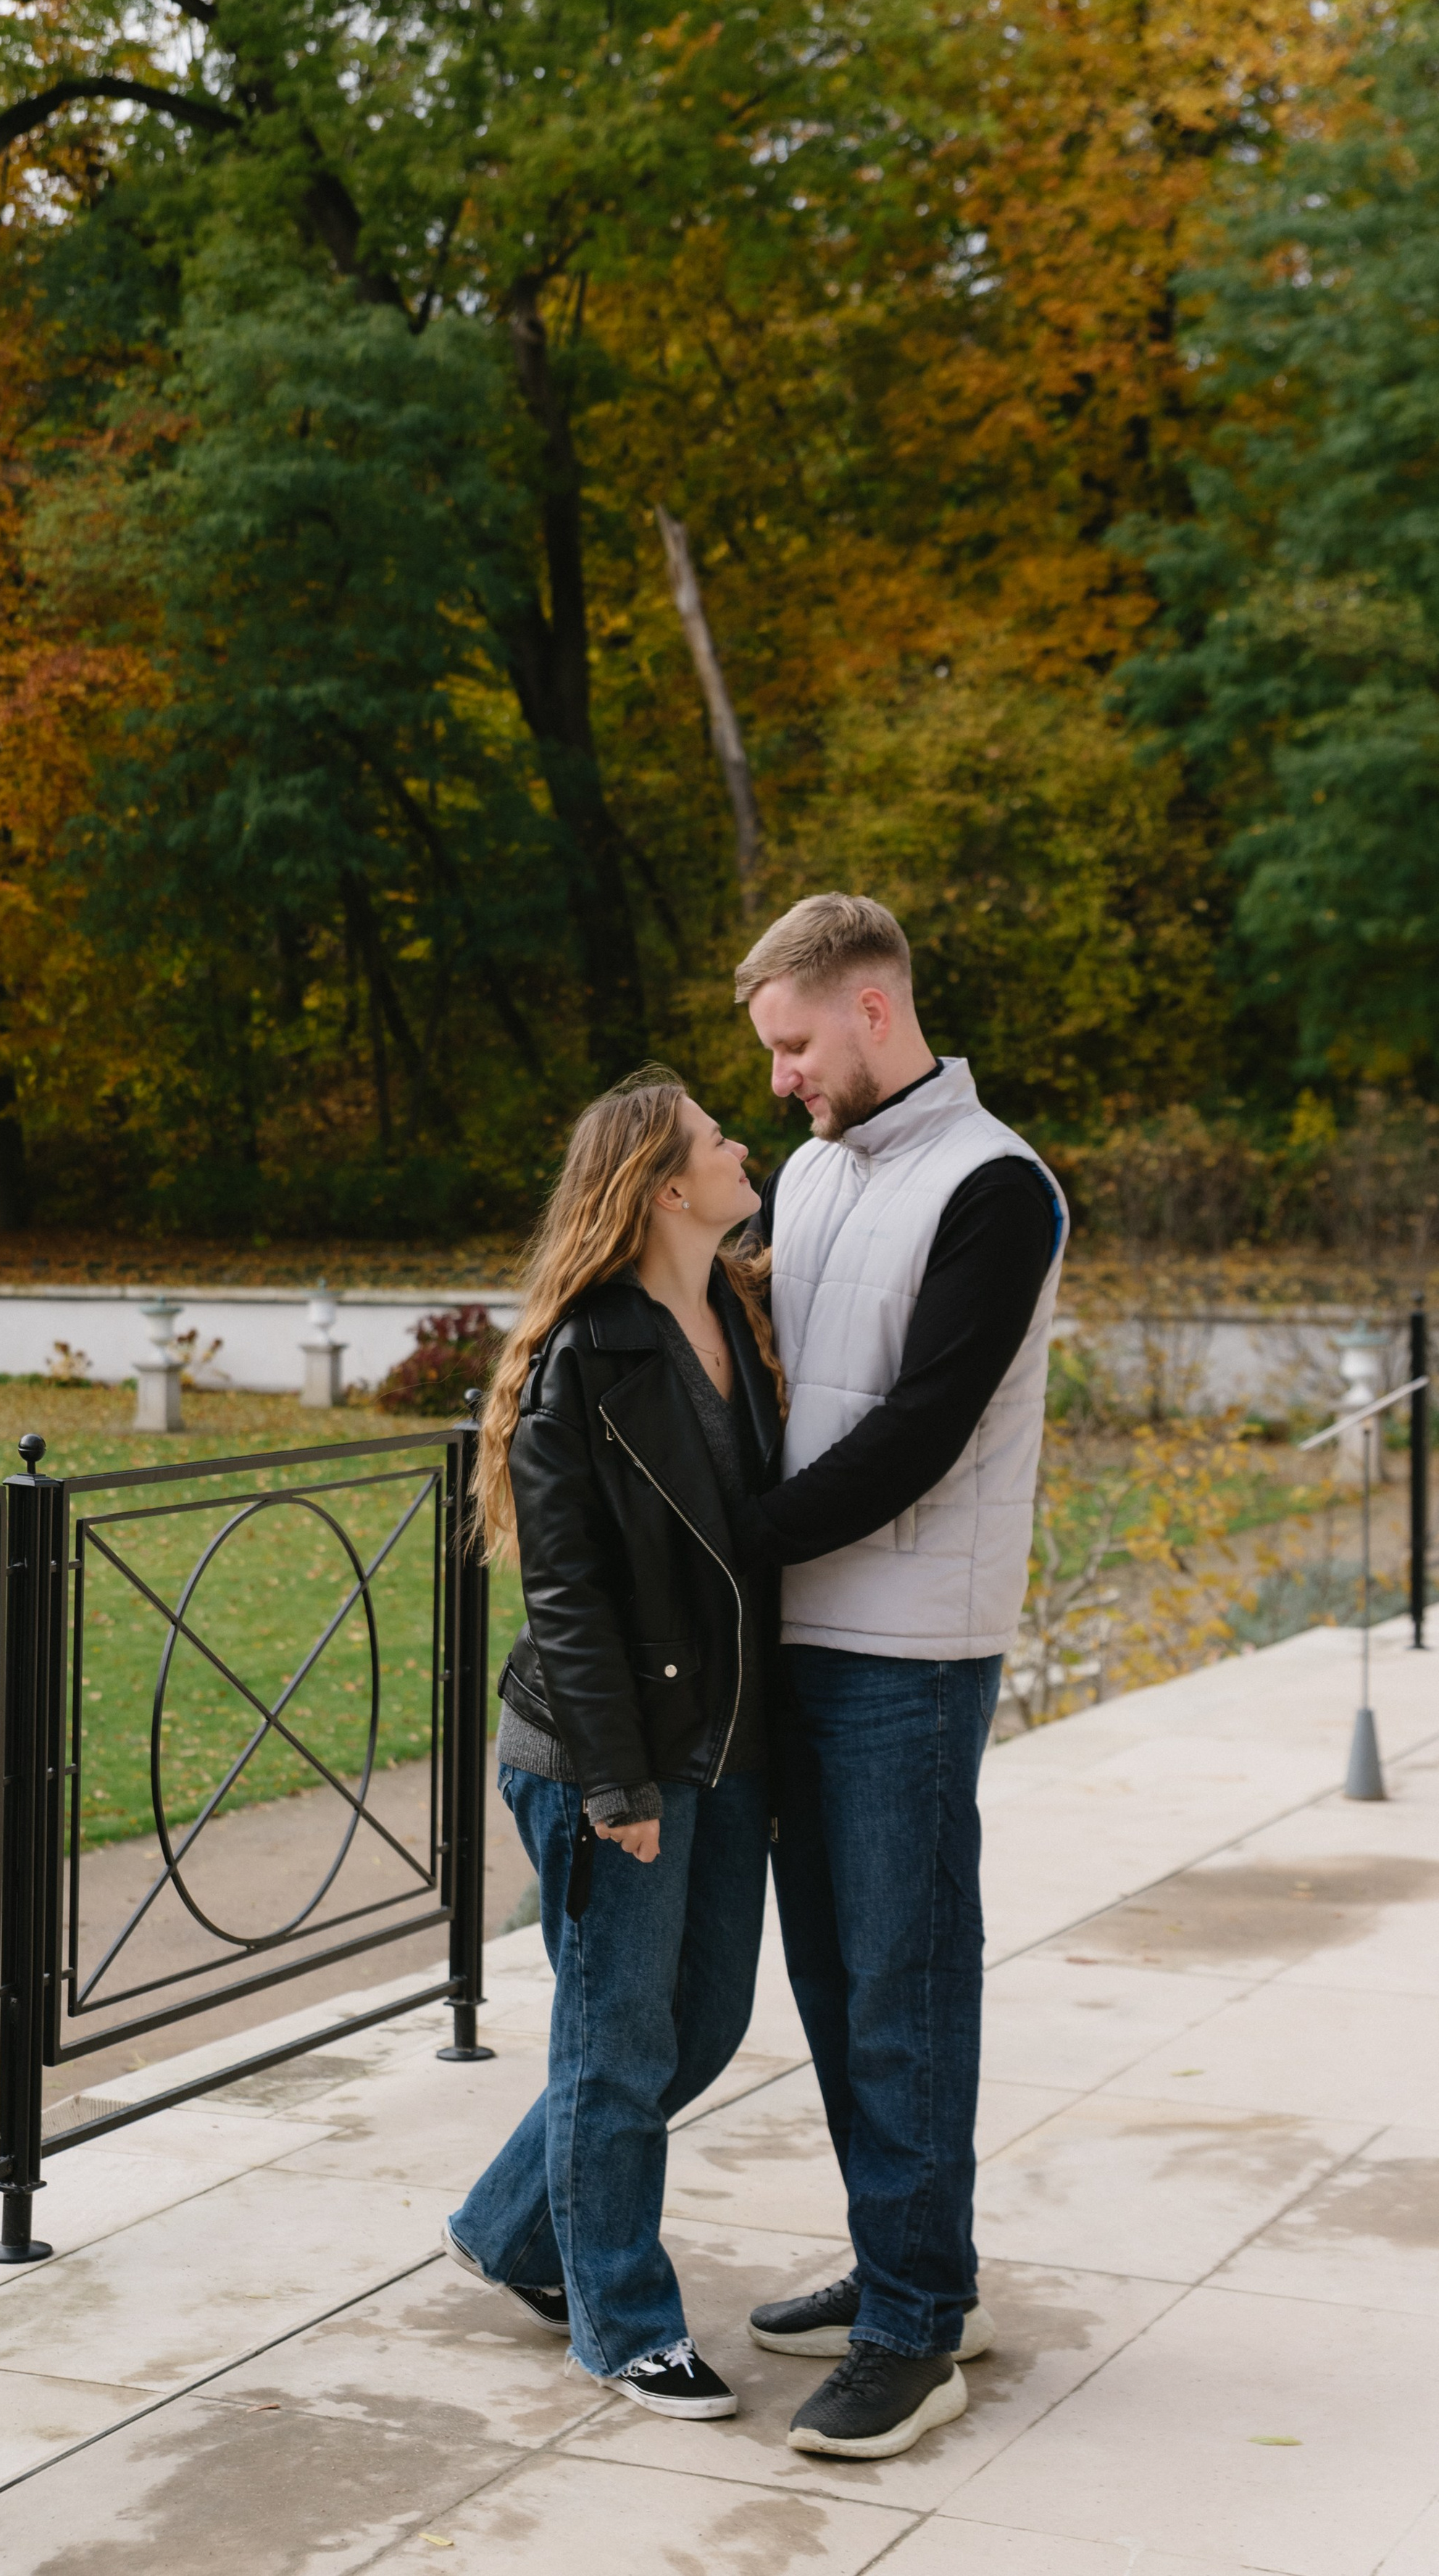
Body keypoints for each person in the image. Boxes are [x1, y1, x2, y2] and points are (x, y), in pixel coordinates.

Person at [732, 893, 1067, 2462]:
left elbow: (923, 1427)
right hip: (803, 1628)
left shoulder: (996, 1186)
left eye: (795, 1044)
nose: (781, 1079)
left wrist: (732, 1541)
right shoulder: (809, 1170)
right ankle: (909, 2266)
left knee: (904, 1982)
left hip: (910, 1647)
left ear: (872, 1008)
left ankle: (916, 2335)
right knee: (831, 1977)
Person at [443, 1070, 784, 2420]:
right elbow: (568, 1594)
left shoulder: (738, 1311)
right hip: (611, 1750)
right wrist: (613, 1781)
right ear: (664, 1188)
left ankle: (509, 2229)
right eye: (715, 1137)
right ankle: (625, 2325)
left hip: (722, 1742)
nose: (741, 1143)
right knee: (619, 2043)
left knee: (701, 2024)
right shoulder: (585, 1358)